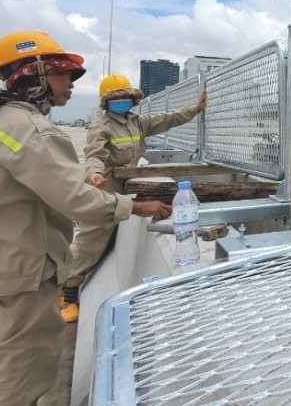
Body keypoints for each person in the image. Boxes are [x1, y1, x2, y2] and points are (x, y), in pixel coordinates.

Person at [0, 31, 172, 406]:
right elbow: (74, 200)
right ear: (38, 74)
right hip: (20, 267)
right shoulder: (32, 130)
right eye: (65, 75)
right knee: (24, 375)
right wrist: (134, 207)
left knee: (9, 349)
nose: (71, 84)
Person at [58, 74, 207, 323]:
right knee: (91, 240)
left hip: (126, 184)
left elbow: (168, 119)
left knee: (103, 244)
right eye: (118, 98)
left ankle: (71, 287)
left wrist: (196, 109)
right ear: (107, 102)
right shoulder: (102, 125)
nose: (124, 102)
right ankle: (68, 293)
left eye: (127, 97)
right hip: (105, 186)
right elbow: (93, 153)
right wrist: (94, 173)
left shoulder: (136, 122)